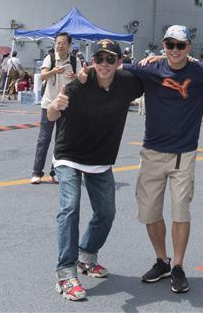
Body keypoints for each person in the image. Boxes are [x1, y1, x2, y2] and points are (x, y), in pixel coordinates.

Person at [120, 25, 203, 294]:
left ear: (189, 47)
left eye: (180, 45)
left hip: (184, 154)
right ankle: (162, 260)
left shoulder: (202, 70)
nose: (175, 50)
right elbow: (119, 67)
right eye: (170, 45)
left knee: (180, 209)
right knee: (149, 212)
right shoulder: (150, 69)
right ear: (163, 47)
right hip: (152, 152)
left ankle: (178, 266)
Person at [47, 39, 145, 302]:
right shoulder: (78, 84)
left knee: (106, 212)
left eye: (110, 59)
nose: (104, 64)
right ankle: (66, 274)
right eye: (99, 59)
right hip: (68, 155)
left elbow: (153, 75)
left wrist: (159, 59)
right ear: (93, 62)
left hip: (100, 159)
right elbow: (52, 116)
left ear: (119, 62)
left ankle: (86, 256)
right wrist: (55, 106)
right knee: (70, 208)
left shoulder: (127, 83)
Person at [33, 33, 77, 184]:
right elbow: (43, 76)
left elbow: (81, 80)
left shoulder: (74, 60)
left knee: (60, 140)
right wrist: (53, 71)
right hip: (49, 104)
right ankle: (37, 172)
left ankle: (54, 172)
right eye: (57, 43)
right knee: (44, 139)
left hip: (66, 105)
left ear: (69, 45)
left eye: (63, 43)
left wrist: (76, 77)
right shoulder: (50, 58)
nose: (60, 45)